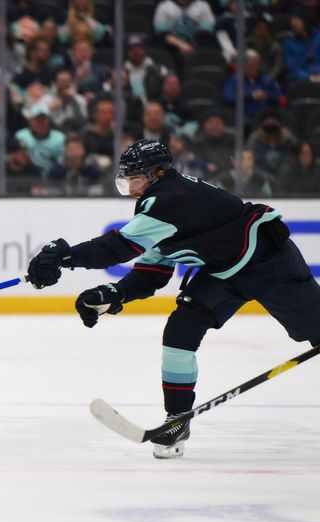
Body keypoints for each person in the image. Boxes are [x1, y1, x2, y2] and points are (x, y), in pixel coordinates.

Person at [26, 138, 320, 459]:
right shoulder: (158, 202)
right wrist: (115, 293)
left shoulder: (171, 199)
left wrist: (64, 257)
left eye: (135, 180)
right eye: (126, 181)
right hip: (225, 271)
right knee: (181, 329)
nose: (131, 188)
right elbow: (153, 272)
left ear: (158, 174)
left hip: (269, 264)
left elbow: (117, 248)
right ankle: (177, 420)